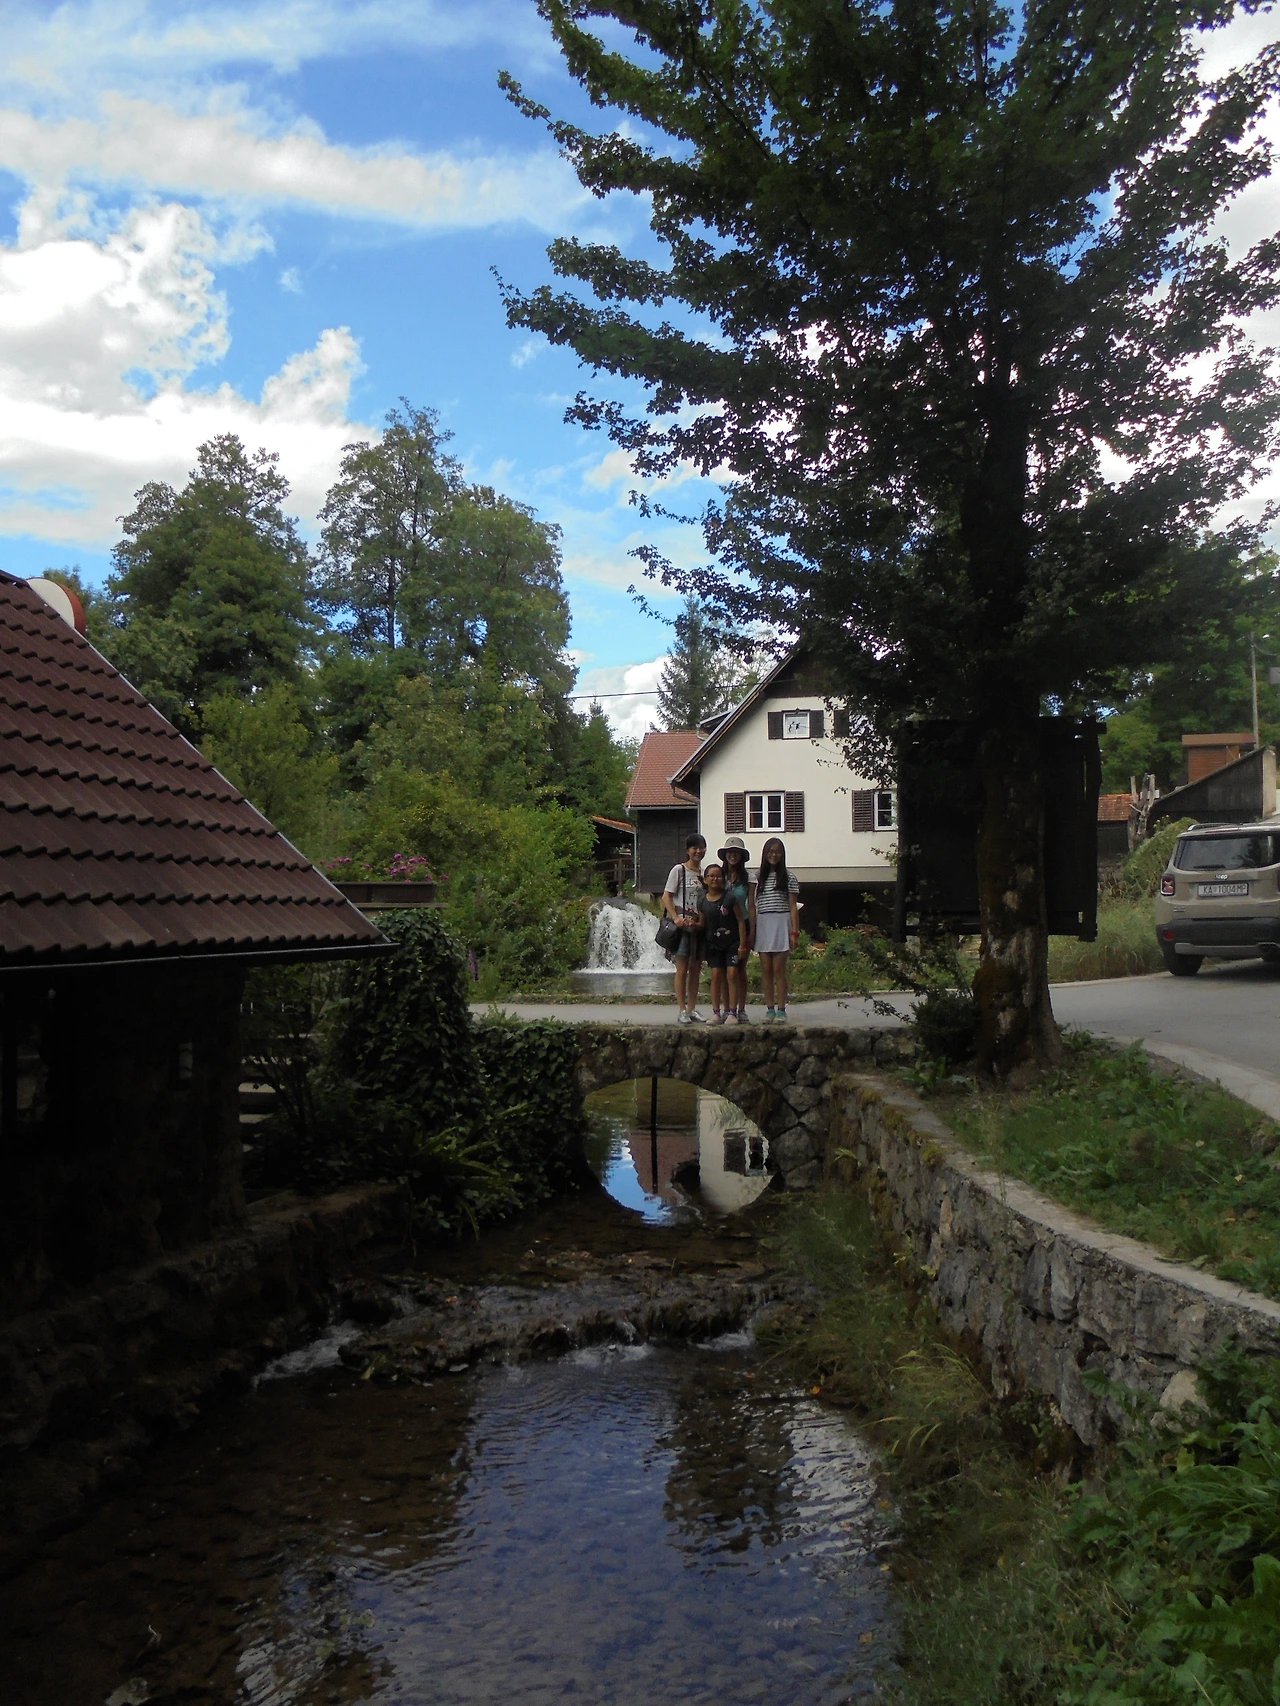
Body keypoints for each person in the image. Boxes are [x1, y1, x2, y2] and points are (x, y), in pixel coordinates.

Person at [751, 836, 800, 1023]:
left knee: (779, 969)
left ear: (782, 854)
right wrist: (752, 931)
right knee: (766, 969)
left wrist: (795, 932)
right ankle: (769, 1009)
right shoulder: (756, 878)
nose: (774, 855)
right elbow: (753, 905)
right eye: (770, 852)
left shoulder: (789, 877)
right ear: (765, 854)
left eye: (777, 852)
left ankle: (781, 1009)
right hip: (763, 922)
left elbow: (793, 906)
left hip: (781, 922)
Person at [662, 833, 707, 1023]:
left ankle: (692, 1008)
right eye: (694, 848)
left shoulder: (704, 874)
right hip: (682, 927)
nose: (698, 851)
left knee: (696, 968)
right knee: (682, 969)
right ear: (687, 850)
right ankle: (681, 1010)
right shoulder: (679, 870)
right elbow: (666, 896)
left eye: (701, 847)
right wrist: (676, 917)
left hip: (698, 927)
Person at [697, 863, 749, 1024]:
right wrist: (691, 924)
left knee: (732, 974)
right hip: (713, 945)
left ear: (723, 879)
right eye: (711, 876)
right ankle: (716, 1012)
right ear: (705, 880)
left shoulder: (730, 898)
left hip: (732, 942)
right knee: (716, 976)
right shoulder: (702, 901)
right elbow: (702, 924)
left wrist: (742, 945)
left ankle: (733, 1012)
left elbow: (740, 921)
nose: (715, 879)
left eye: (718, 876)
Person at [718, 835, 753, 1022]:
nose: (733, 856)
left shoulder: (748, 878)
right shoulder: (719, 876)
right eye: (730, 852)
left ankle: (741, 1008)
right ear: (725, 855)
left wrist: (752, 931)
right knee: (724, 970)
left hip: (743, 924)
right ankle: (726, 1008)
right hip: (723, 925)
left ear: (742, 856)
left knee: (739, 969)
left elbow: (752, 905)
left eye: (736, 853)